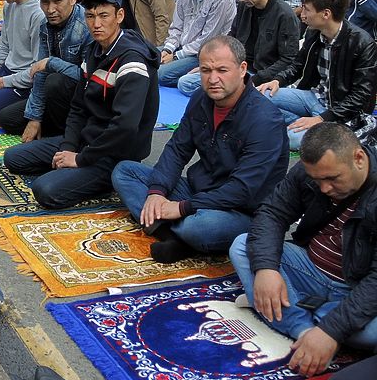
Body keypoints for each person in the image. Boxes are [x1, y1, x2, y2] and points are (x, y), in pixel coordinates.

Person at [113, 35, 288, 263]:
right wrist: (157, 192)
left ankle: (177, 233)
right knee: (125, 172)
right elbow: (177, 150)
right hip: (201, 190)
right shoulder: (200, 99)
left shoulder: (265, 120)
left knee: (198, 227)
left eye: (222, 70)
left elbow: (242, 190)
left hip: (243, 210)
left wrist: (182, 208)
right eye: (206, 70)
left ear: (242, 69)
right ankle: (172, 238)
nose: (213, 79)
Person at [229, 123, 377, 378]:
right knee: (242, 246)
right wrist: (266, 268)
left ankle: (285, 308)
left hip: (356, 285)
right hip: (309, 267)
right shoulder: (311, 171)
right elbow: (272, 213)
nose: (324, 189)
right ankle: (305, 330)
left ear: (359, 158)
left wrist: (333, 329)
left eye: (332, 179)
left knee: (372, 333)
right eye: (318, 180)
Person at [3, 0, 160, 209]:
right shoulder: (95, 50)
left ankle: (106, 178)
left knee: (45, 190)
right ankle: (77, 171)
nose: (96, 24)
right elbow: (78, 107)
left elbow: (124, 127)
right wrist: (68, 147)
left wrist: (80, 159)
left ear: (120, 15)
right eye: (90, 16)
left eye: (104, 16)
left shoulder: (132, 61)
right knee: (13, 158)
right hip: (89, 140)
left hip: (117, 153)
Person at [258, 0, 377, 150]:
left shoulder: (363, 43)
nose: (302, 15)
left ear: (326, 14)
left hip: (340, 112)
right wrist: (277, 80)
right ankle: (302, 125)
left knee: (292, 139)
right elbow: (297, 66)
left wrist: (322, 118)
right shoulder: (313, 33)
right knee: (259, 95)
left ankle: (307, 127)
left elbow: (360, 96)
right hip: (314, 96)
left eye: (307, 9)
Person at [179, 0, 299, 96]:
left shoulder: (285, 15)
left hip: (264, 74)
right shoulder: (244, 6)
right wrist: (215, 66)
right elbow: (232, 38)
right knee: (185, 83)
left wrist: (257, 79)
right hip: (237, 68)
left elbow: (288, 59)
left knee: (261, 96)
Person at [0, 0, 92, 139]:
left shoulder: (86, 27)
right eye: (45, 2)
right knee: (7, 118)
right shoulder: (44, 24)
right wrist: (35, 118)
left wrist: (52, 63)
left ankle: (68, 136)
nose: (51, 9)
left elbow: (88, 78)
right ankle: (53, 129)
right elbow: (39, 74)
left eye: (57, 1)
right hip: (56, 98)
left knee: (55, 80)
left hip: (83, 100)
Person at [158, 0, 237, 87]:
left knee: (160, 74)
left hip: (205, 52)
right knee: (147, 56)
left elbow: (208, 39)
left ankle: (198, 77)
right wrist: (168, 48)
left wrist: (176, 56)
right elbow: (177, 26)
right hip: (183, 47)